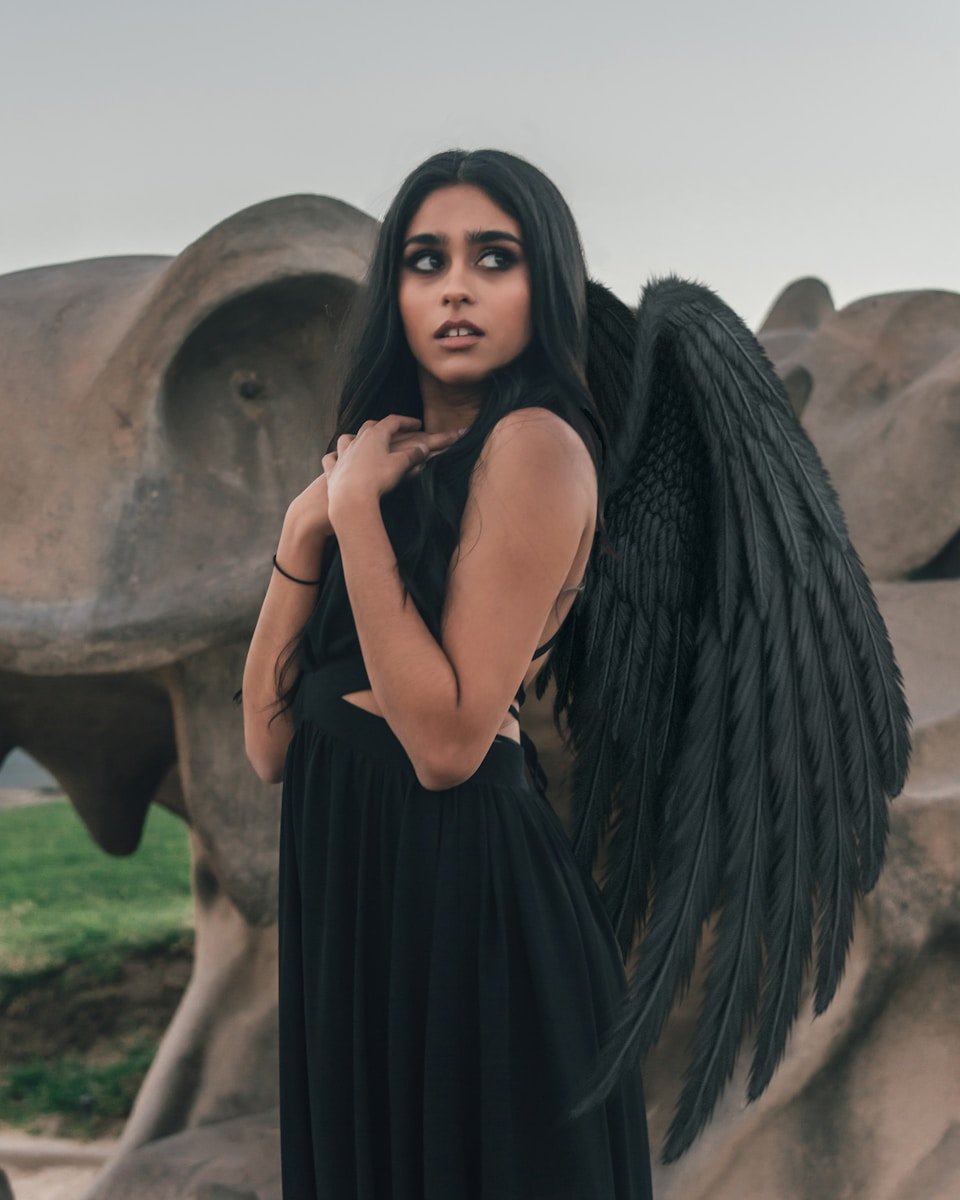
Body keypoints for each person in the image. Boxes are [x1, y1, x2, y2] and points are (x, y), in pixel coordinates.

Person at [239, 148, 654, 1198]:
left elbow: (444, 745)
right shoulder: (373, 471)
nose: (457, 285)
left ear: (540, 285)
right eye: (426, 260)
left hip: (470, 924)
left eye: (493, 258)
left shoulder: (536, 447)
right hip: (360, 915)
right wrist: (306, 531)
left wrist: (353, 520)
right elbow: (269, 740)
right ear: (396, 292)